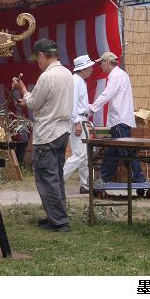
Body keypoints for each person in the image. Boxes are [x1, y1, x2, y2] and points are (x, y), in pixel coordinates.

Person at [12, 38, 74, 232]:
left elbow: (33, 103)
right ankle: (57, 215)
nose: (37, 63)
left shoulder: (47, 77)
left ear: (41, 56)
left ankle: (59, 220)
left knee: (47, 178)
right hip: (62, 130)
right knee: (56, 176)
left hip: (47, 132)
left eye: (37, 59)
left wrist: (23, 90)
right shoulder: (67, 73)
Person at [89, 51, 146, 184]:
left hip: (119, 120)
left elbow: (107, 94)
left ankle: (139, 178)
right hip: (119, 120)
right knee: (112, 152)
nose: (100, 66)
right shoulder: (121, 74)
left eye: (101, 63)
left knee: (125, 152)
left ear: (107, 62)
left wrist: (92, 108)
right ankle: (104, 179)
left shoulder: (116, 76)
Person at [63, 54, 95, 194]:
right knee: (80, 154)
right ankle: (59, 180)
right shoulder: (76, 81)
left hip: (82, 119)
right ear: (83, 69)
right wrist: (76, 122)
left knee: (85, 154)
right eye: (90, 67)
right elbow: (73, 103)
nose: (92, 69)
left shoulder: (79, 80)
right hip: (79, 120)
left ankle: (86, 184)